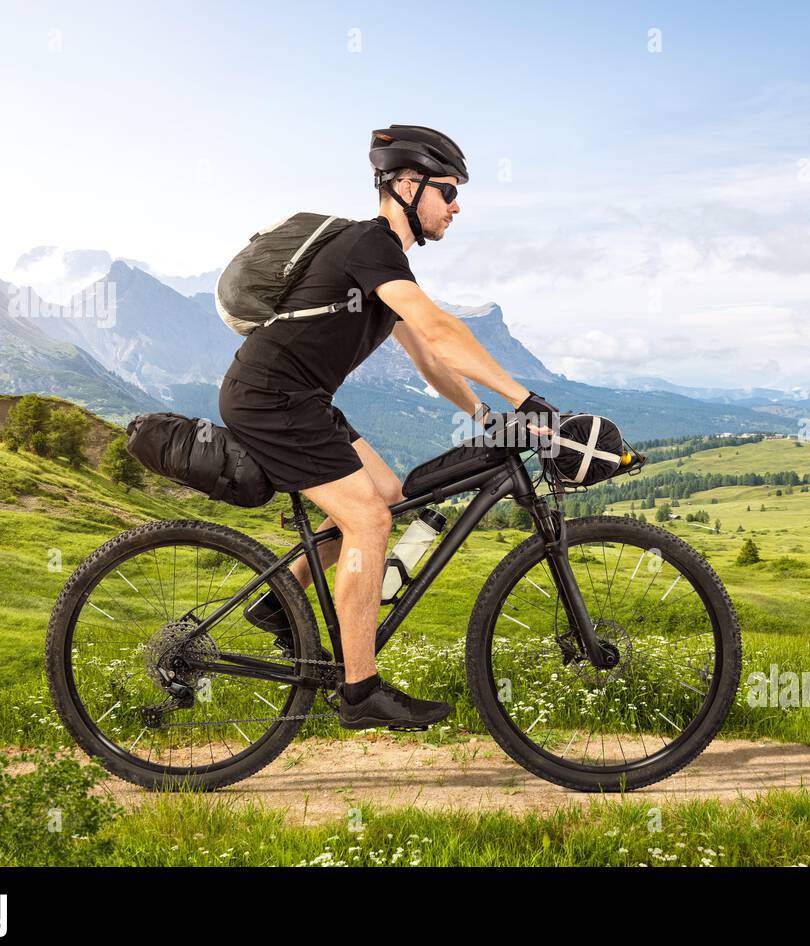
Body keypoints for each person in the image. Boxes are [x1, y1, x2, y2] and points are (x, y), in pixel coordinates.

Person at [218, 124, 558, 730]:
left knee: (390, 494)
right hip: (271, 399)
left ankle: (279, 603)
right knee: (369, 520)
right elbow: (437, 326)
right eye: (448, 192)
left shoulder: (379, 259)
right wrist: (527, 400)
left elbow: (426, 353)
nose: (456, 207)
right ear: (407, 184)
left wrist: (485, 415)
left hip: (300, 398)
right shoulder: (369, 245)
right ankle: (360, 691)